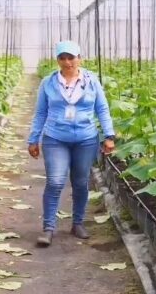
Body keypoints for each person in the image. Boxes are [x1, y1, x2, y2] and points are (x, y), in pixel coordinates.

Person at [27, 40, 116, 247]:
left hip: (86, 139)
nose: (67, 62)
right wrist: (33, 139)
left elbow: (102, 109)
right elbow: (40, 113)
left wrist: (109, 136)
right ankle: (48, 228)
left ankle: (77, 223)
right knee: (56, 181)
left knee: (80, 181)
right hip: (55, 138)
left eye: (71, 57)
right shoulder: (48, 83)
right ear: (57, 60)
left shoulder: (91, 81)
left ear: (79, 58)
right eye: (62, 58)